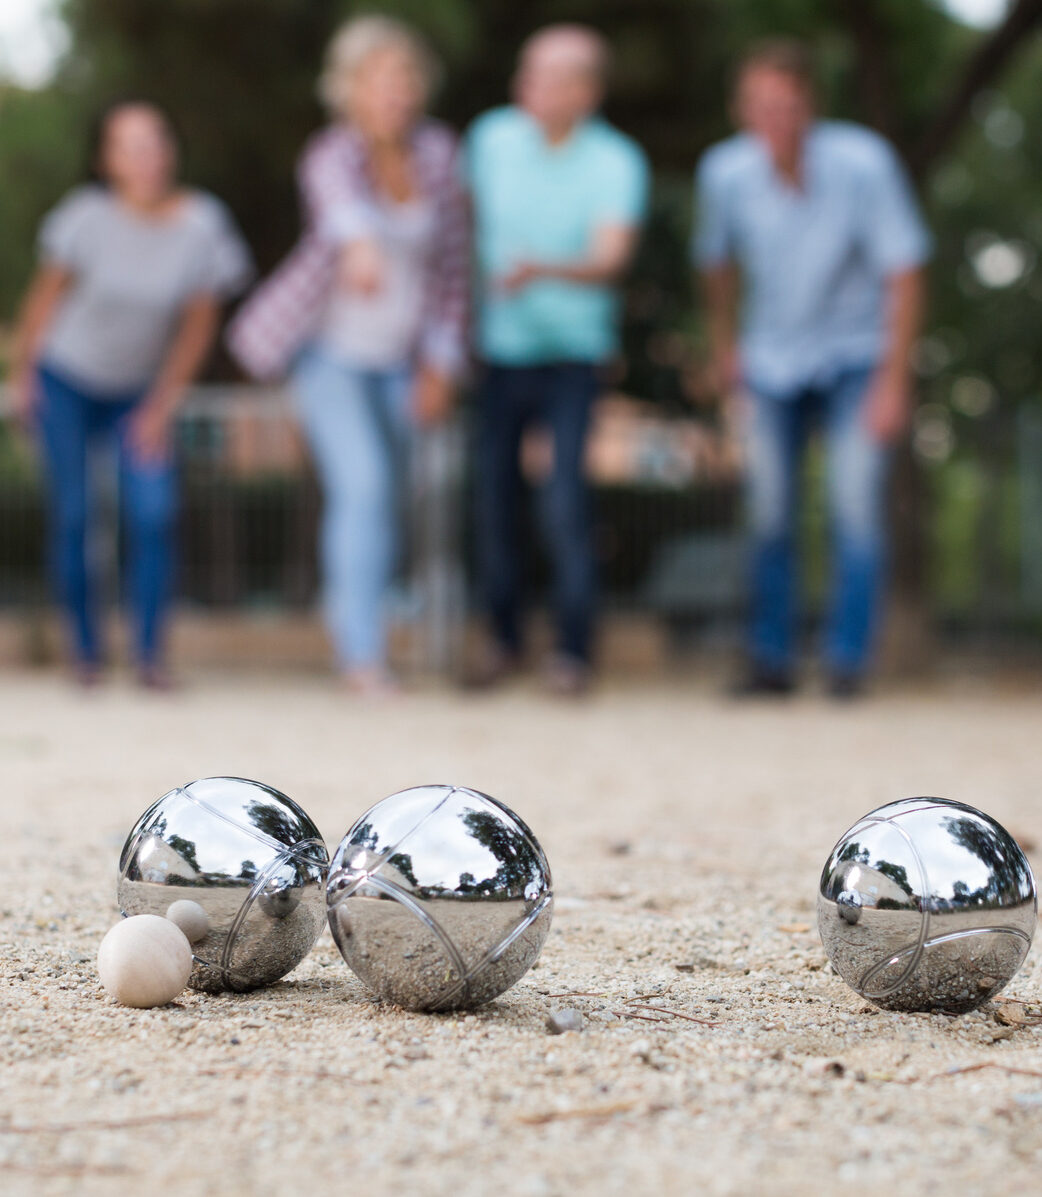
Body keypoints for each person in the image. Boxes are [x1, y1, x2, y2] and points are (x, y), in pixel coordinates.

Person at [228, 15, 468, 696]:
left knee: (394, 496)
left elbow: (453, 270)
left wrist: (442, 363)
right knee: (360, 484)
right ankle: (360, 655)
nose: (397, 90)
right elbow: (342, 213)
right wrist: (361, 245)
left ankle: (372, 628)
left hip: (402, 356)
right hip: (328, 352)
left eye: (406, 76)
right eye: (381, 77)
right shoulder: (330, 153)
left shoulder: (441, 156)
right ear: (352, 89)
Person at [694, 39, 930, 699]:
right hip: (770, 357)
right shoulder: (726, 173)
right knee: (768, 510)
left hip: (858, 355)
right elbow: (715, 264)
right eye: (762, 105)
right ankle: (771, 660)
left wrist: (894, 378)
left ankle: (846, 662)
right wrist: (724, 347)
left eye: (789, 104)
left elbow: (905, 273)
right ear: (743, 110)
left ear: (810, 106)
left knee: (854, 505)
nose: (777, 118)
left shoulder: (864, 164)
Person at [10, 100, 252, 688]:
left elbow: (199, 325)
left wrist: (161, 405)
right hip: (66, 379)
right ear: (106, 160)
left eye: (156, 140)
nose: (148, 156)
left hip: (139, 391)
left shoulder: (203, 226)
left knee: (153, 513)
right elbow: (42, 304)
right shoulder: (83, 218)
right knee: (74, 515)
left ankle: (150, 657)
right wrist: (23, 380)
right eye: (130, 145)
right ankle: (85, 654)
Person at [465, 24, 649, 697]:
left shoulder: (616, 161)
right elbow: (460, 227)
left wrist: (540, 269)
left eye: (544, 75)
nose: (526, 86)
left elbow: (612, 259)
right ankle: (502, 639)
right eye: (526, 70)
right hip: (498, 352)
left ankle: (573, 650)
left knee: (564, 501)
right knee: (493, 500)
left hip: (574, 353)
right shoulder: (490, 140)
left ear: (584, 91)